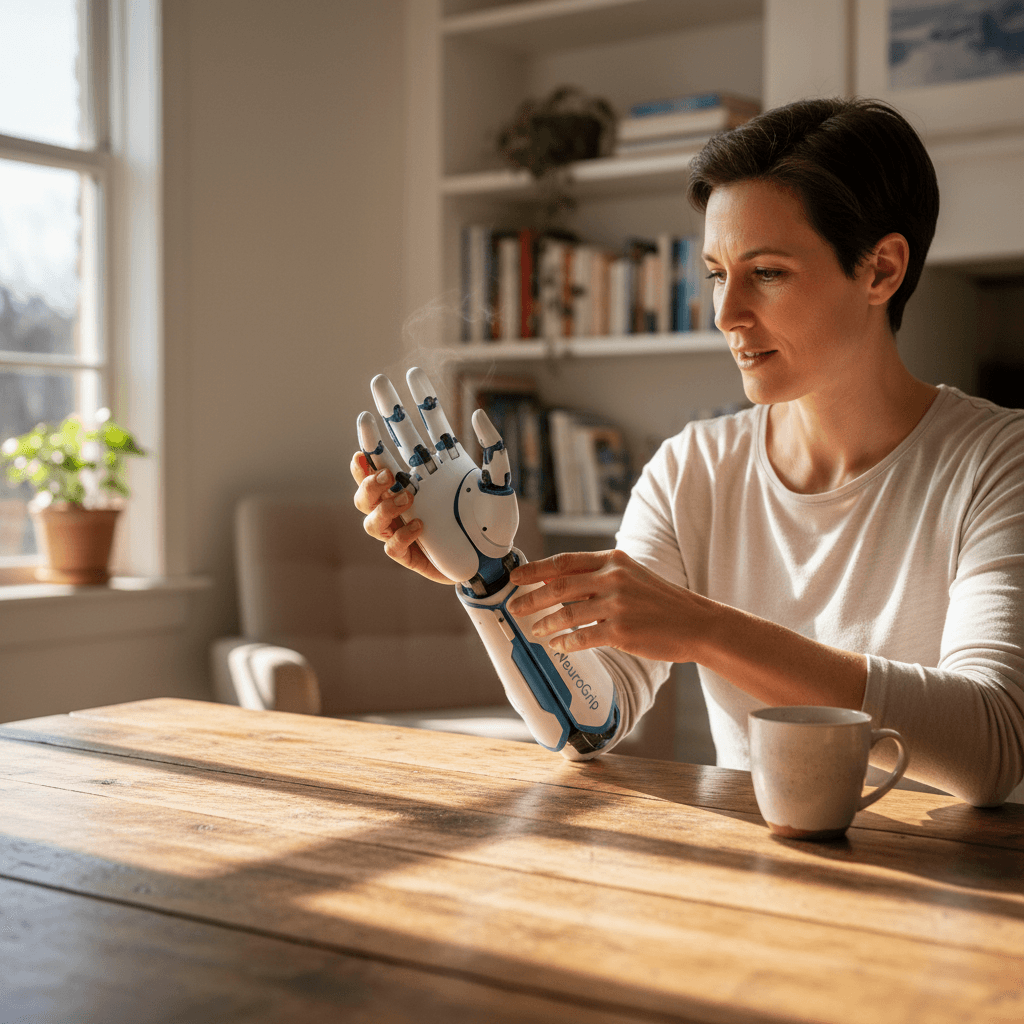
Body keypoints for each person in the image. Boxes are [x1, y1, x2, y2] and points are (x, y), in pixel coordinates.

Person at [352, 97, 1024, 807]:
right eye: (714, 273)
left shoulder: (997, 461)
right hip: (758, 876)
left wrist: (706, 629)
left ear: (881, 271)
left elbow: (991, 746)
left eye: (766, 272)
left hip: (957, 894)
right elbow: (589, 724)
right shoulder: (691, 469)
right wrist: (488, 581)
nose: (726, 313)